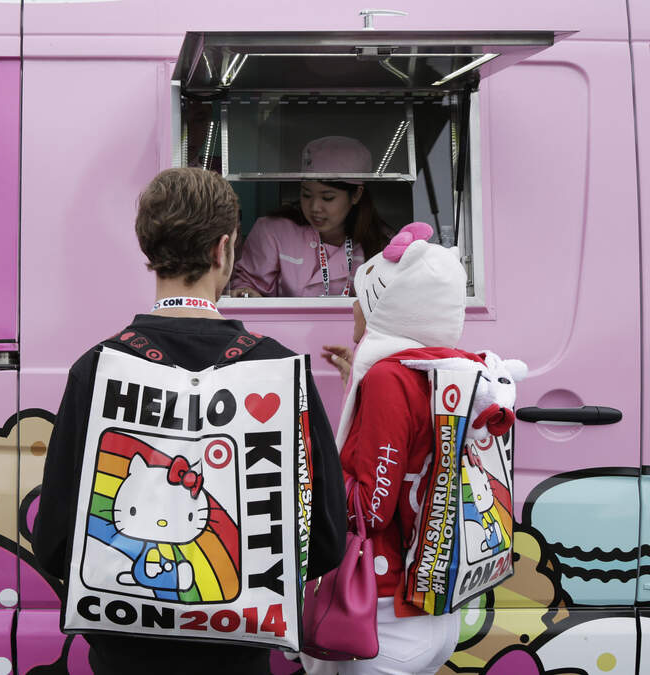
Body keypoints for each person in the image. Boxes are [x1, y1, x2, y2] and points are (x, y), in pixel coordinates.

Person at [33, 167, 348, 675]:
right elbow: (327, 537)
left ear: (149, 250)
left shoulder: (96, 369)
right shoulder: (278, 371)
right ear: (225, 249)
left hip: (123, 656)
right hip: (239, 656)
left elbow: (53, 541)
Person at [303, 222, 473, 675]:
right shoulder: (437, 370)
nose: (354, 305)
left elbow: (371, 507)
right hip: (431, 609)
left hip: (382, 615)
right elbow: (409, 448)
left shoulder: (386, 380)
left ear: (386, 305)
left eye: (362, 294)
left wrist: (308, 466)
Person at [228, 136, 393, 298]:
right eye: (306, 194)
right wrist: (247, 293)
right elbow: (246, 285)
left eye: (327, 198)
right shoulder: (273, 232)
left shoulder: (381, 243)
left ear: (356, 195)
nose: (314, 207)